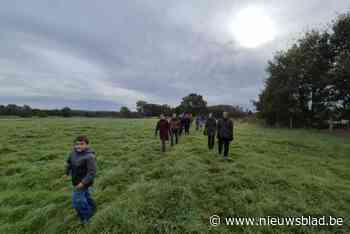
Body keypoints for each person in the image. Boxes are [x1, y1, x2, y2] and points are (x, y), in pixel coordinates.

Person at [64, 136, 97, 224]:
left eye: (82, 144)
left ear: (87, 145)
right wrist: (66, 173)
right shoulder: (72, 153)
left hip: (83, 183)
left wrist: (82, 183)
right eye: (77, 144)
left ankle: (87, 218)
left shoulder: (89, 157)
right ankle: (93, 209)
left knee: (77, 202)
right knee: (86, 196)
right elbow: (69, 163)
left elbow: (92, 173)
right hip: (75, 181)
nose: (78, 146)